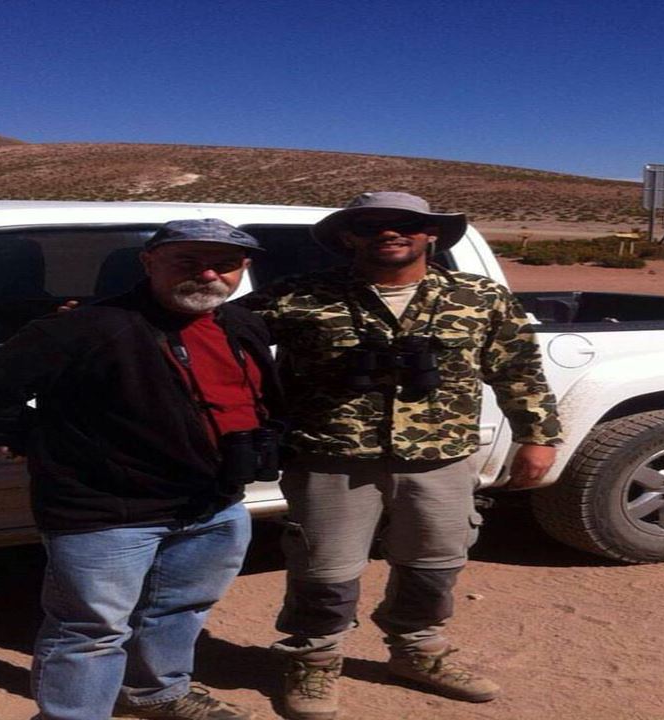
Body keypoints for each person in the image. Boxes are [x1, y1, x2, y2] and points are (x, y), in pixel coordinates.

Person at [239, 192, 562, 720]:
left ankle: (419, 652)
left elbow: (519, 370)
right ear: (349, 237)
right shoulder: (300, 296)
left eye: (406, 224)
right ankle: (314, 661)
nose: (389, 233)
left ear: (431, 233)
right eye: (370, 226)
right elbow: (211, 333)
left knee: (436, 562)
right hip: (332, 454)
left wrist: (539, 436)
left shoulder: (478, 296)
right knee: (324, 569)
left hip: (441, 455)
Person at [0, 219, 281, 720]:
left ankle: (157, 694)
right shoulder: (87, 327)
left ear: (245, 269)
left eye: (225, 264)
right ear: (150, 263)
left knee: (179, 609)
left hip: (214, 502)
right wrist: (38, 442)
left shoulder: (240, 325)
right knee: (89, 631)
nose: (209, 274)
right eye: (187, 262)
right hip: (109, 510)